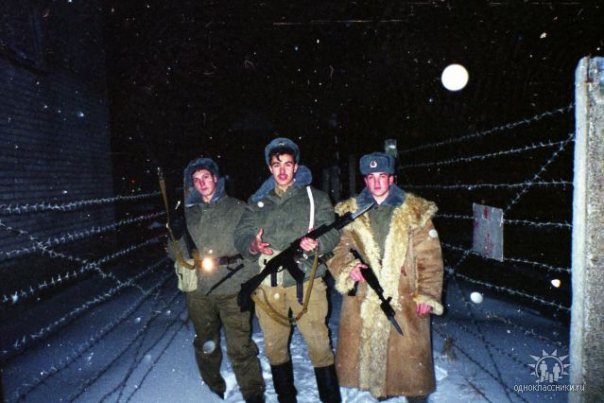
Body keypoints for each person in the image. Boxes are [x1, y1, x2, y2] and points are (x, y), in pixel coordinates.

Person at [327, 152, 444, 402]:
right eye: (371, 177)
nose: (377, 182)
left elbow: (430, 257)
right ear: (365, 181)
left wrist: (427, 293)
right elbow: (337, 248)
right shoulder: (351, 212)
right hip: (366, 293)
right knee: (373, 350)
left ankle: (415, 395)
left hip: (406, 293)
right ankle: (382, 389)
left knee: (411, 359)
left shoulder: (415, 212)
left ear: (392, 179)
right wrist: (348, 267)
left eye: (382, 176)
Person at [234, 137, 342, 403]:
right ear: (269, 168)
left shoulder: (316, 198)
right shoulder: (257, 202)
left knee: (319, 345)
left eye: (287, 164)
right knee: (275, 347)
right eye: (276, 165)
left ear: (296, 167)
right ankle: (286, 398)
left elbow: (332, 232)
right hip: (268, 286)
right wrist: (253, 245)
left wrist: (316, 243)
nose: (282, 170)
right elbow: (242, 234)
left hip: (307, 282)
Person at [171, 157, 265, 403]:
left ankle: (253, 393)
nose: (202, 183)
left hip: (233, 287)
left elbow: (251, 249)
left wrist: (247, 282)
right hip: (200, 291)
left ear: (216, 179)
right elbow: (175, 254)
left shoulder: (238, 208)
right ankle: (213, 388)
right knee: (206, 343)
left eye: (206, 177)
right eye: (196, 180)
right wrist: (175, 235)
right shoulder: (188, 213)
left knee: (240, 346)